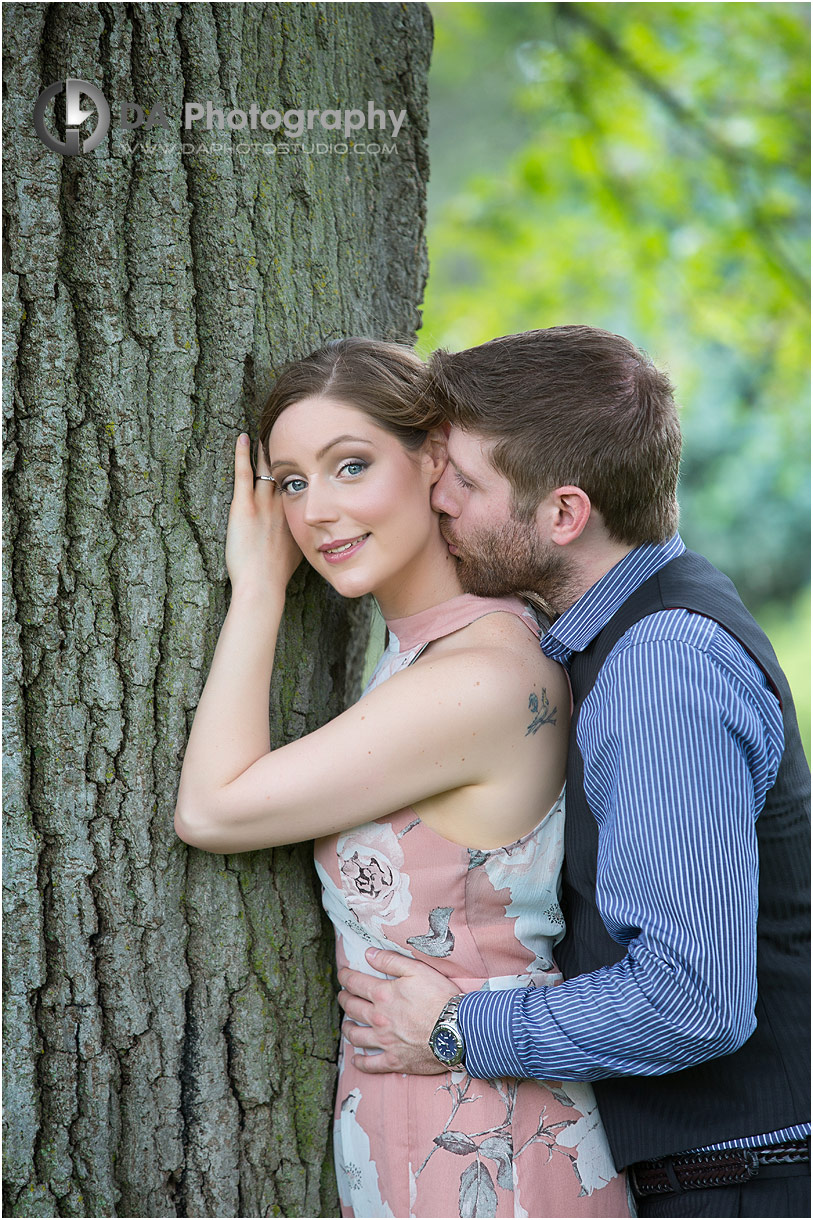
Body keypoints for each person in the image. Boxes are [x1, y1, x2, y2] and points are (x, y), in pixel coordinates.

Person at [336, 325, 811, 1219]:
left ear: (563, 513)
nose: (435, 496)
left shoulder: (658, 667)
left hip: (748, 1185)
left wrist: (453, 1028)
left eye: (465, 482)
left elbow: (691, 998)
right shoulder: (622, 635)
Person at [174, 337, 632, 1218]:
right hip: (423, 1109)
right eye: (292, 483)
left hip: (489, 1139)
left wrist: (260, 591)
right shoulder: (429, 649)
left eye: (351, 466)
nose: (316, 513)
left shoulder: (477, 678)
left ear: (434, 461)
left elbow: (211, 808)